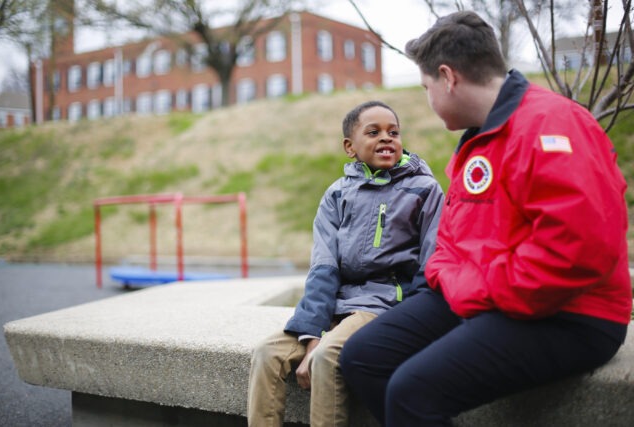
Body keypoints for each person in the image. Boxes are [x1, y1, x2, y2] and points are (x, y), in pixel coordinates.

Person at [340, 11, 632, 427]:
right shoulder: (481, 136)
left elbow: (576, 254)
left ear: (448, 77)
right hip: (488, 295)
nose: (428, 97)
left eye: (426, 87)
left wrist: (474, 289)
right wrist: (455, 282)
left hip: (571, 314)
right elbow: (452, 242)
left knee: (413, 392)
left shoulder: (554, 126)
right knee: (363, 358)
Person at [247, 100, 444, 427]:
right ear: (349, 147)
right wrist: (312, 335)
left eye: (393, 132)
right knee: (267, 353)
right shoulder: (337, 194)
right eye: (374, 132)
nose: (386, 138)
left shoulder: (423, 188)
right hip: (339, 302)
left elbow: (433, 259)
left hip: (383, 302)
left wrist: (413, 322)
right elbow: (323, 268)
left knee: (327, 357)